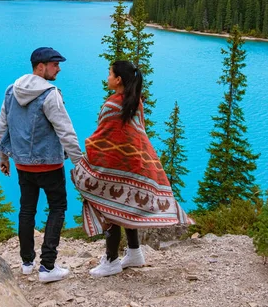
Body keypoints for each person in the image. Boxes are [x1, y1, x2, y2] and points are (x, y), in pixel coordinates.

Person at [73, 60, 193, 278]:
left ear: (118, 80)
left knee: (108, 205)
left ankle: (111, 260)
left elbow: (103, 138)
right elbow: (135, 134)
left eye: (109, 74)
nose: (107, 77)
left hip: (115, 165)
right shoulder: (135, 102)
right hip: (136, 164)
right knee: (129, 204)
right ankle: (135, 253)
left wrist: (87, 151)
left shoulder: (112, 105)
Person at [0, 47, 82, 283]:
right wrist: (79, 162)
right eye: (55, 64)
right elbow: (66, 131)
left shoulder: (11, 91)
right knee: (57, 208)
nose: (59, 68)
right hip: (50, 165)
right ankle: (47, 267)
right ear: (40, 66)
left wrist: (3, 157)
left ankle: (26, 263)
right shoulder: (50, 94)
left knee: (27, 210)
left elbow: (2, 128)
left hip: (23, 165)